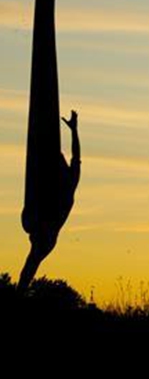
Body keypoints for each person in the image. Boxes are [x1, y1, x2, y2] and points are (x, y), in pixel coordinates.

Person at [19, 111, 80, 292]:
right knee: (31, 264)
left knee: (31, 264)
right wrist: (74, 131)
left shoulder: (70, 183)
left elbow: (76, 156)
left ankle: (19, 291)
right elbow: (76, 155)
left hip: (47, 232)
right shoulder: (69, 180)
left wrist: (74, 131)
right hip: (42, 224)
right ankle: (20, 290)